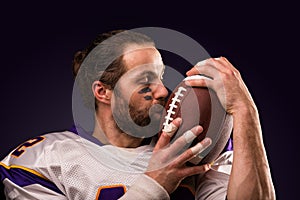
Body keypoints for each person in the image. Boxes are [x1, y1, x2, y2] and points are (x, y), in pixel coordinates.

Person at [0, 29, 275, 200]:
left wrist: (245, 111)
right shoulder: (44, 160)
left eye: (161, 77)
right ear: (103, 92)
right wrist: (155, 183)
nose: (163, 91)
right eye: (145, 81)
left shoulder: (194, 144)